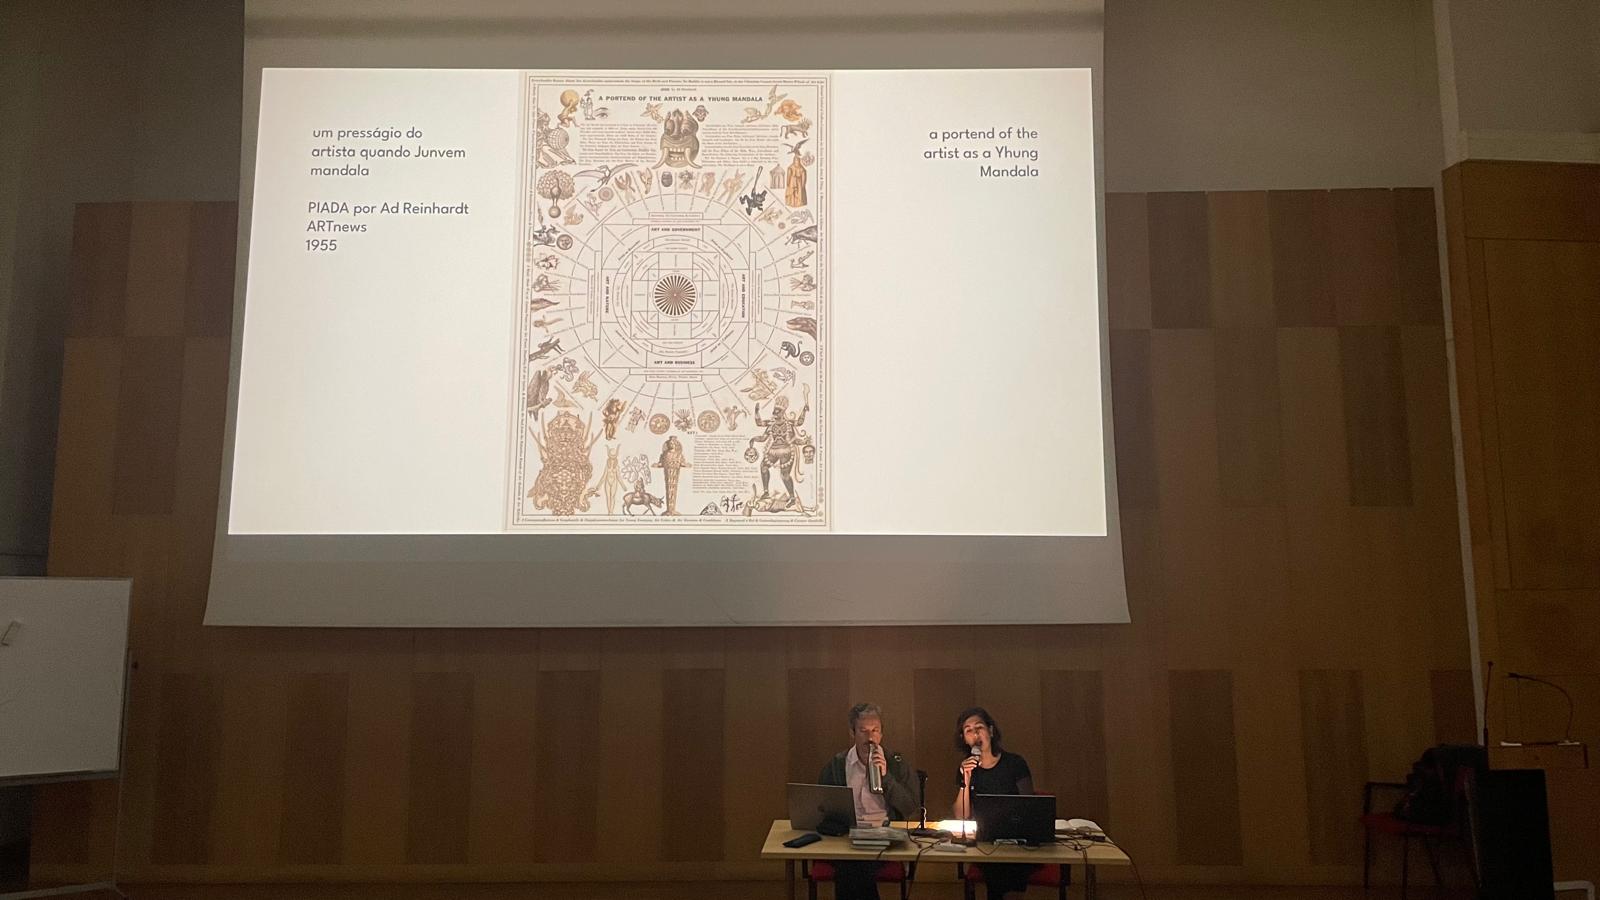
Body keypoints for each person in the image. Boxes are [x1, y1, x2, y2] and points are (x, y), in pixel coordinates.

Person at [818, 702, 917, 900]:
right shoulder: (837, 765)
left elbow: (910, 807)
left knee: (853, 869)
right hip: (846, 836)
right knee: (851, 863)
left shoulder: (896, 763)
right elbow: (821, 805)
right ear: (852, 733)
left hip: (884, 833)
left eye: (875, 730)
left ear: (881, 734)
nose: (870, 737)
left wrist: (886, 776)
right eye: (863, 731)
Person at [952, 707, 1037, 899]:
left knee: (1008, 867)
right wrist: (966, 779)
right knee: (995, 863)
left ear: (990, 731)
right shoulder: (966, 768)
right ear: (964, 739)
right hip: (985, 840)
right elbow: (962, 815)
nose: (975, 734)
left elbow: (1030, 806)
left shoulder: (1015, 763)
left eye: (979, 727)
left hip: (1018, 841)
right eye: (968, 730)